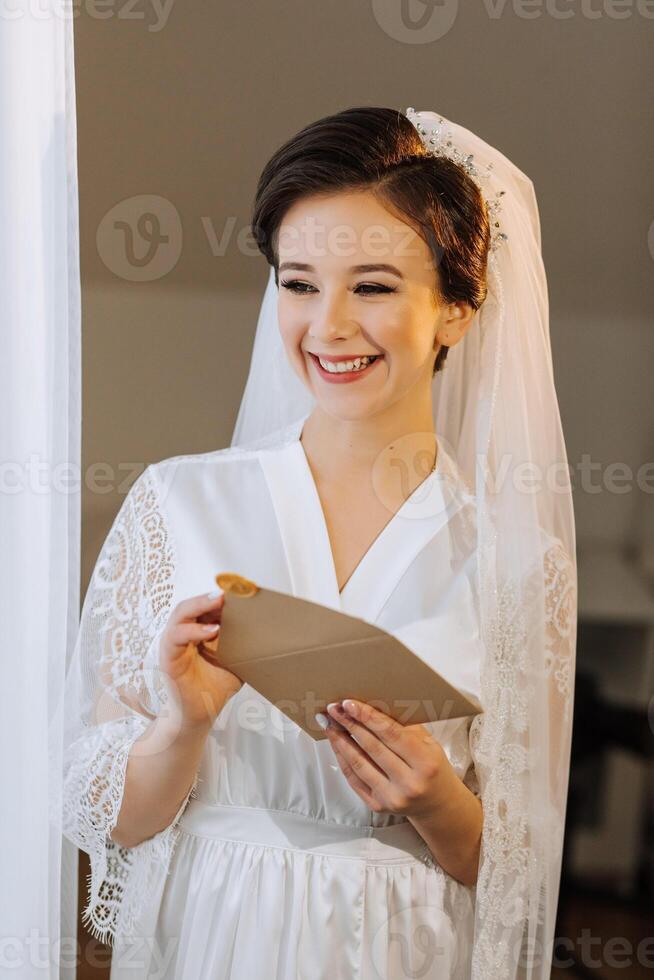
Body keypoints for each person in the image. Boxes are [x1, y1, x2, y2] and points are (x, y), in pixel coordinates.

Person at [58, 106, 577, 979]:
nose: (328, 326)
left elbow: (518, 882)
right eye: (298, 284)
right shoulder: (179, 502)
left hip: (402, 949)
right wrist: (183, 724)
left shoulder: (522, 568)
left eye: (372, 286)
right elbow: (113, 815)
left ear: (455, 307)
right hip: (211, 936)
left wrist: (438, 802)